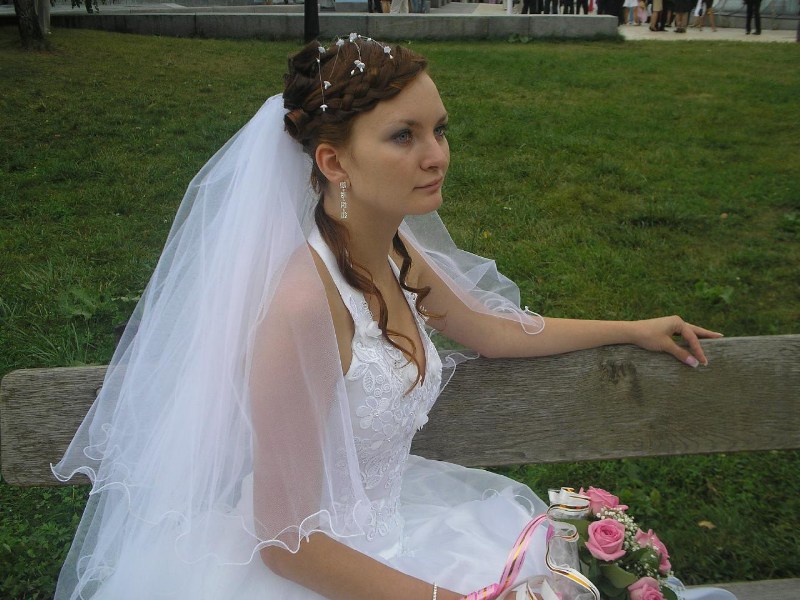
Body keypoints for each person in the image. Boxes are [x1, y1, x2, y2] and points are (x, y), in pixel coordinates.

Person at [52, 36, 739, 600]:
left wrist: (632, 328)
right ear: (334, 161)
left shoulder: (392, 249)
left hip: (403, 523)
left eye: (439, 130)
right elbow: (284, 542)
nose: (436, 155)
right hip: (325, 570)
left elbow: (492, 330)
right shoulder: (304, 305)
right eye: (403, 136)